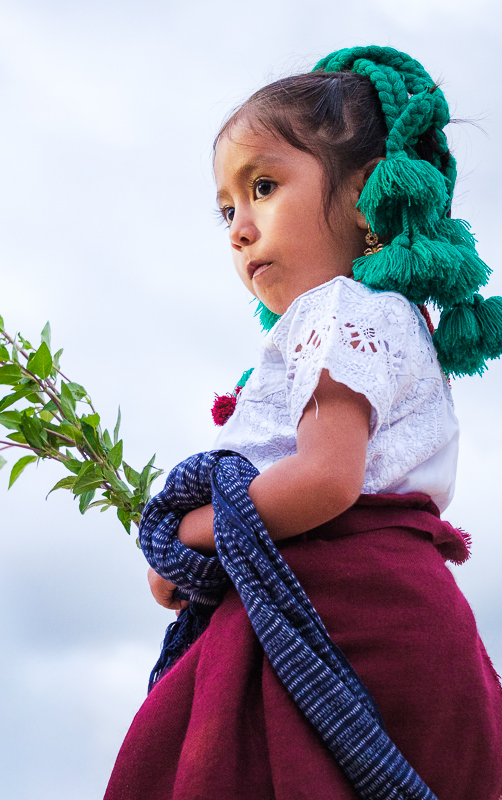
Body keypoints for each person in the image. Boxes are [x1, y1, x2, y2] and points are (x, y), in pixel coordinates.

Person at [104, 46, 502, 800]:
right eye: (227, 208)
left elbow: (324, 478)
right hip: (408, 619)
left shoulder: (342, 308)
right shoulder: (386, 320)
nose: (239, 228)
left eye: (262, 186)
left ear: (361, 198)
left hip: (349, 612)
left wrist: (182, 537)